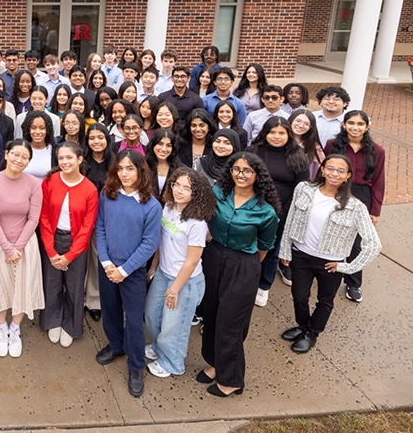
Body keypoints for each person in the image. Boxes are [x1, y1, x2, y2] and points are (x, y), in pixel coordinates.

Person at [278, 155, 382, 353]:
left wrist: (347, 267)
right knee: (299, 296)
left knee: (325, 300)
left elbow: (373, 244)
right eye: (330, 168)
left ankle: (312, 333)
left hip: (330, 263)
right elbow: (290, 219)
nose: (334, 173)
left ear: (348, 175)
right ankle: (302, 326)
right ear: (323, 170)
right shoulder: (304, 189)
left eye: (341, 171)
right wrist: (285, 249)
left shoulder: (355, 207)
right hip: (301, 255)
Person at [199, 153, 278, 398]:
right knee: (211, 314)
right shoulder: (217, 194)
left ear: (258, 176)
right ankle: (216, 364)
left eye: (247, 171)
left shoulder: (266, 212)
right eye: (236, 169)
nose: (240, 174)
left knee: (230, 322)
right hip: (214, 257)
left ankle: (232, 380)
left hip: (244, 263)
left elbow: (265, 246)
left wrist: (245, 265)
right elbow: (207, 219)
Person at [93, 149, 162, 398]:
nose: (124, 173)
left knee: (133, 320)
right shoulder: (108, 194)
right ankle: (116, 344)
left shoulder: (151, 205)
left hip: (131, 272)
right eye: (120, 168)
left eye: (130, 168)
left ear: (141, 171)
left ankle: (135, 365)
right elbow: (100, 227)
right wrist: (106, 262)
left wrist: (123, 270)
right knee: (110, 309)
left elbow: (149, 243)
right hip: (108, 267)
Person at [144, 167, 214, 378]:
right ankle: (159, 347)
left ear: (196, 193)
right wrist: (154, 266)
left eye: (187, 188)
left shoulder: (197, 223)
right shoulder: (168, 207)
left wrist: (174, 289)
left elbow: (192, 261)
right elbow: (161, 241)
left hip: (185, 282)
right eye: (176, 185)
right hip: (163, 273)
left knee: (174, 326)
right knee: (152, 315)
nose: (179, 191)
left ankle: (172, 363)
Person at [0, 139, 45, 358]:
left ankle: (15, 328)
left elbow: (33, 218)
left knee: (22, 287)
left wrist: (17, 247)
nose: (19, 160)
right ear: (7, 154)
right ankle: (2, 328)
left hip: (25, 245)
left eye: (25, 157)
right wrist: (8, 249)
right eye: (16, 154)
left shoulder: (33, 184)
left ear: (29, 161)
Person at [39, 141, 98, 348]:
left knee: (74, 286)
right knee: (52, 283)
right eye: (61, 158)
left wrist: (70, 256)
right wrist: (50, 250)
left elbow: (87, 227)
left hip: (77, 244)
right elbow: (44, 216)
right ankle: (53, 320)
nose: (64, 162)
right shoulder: (50, 181)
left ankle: (70, 326)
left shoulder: (90, 189)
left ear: (79, 159)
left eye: (69, 157)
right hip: (52, 239)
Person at [246, 117, 309, 306]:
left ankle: (263, 286)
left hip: (280, 213)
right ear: (265, 133)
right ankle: (246, 280)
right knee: (247, 246)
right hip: (250, 209)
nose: (276, 136)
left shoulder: (298, 157)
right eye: (272, 132)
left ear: (288, 134)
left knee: (271, 249)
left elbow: (301, 189)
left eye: (281, 133)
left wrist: (284, 212)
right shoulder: (253, 152)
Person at [324, 110, 385, 303]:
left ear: (367, 127)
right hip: (335, 190)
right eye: (351, 123)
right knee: (330, 234)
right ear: (344, 124)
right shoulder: (332, 145)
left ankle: (353, 283)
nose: (355, 127)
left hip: (362, 194)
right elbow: (324, 171)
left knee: (357, 243)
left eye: (360, 124)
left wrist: (375, 210)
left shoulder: (377, 151)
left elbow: (379, 181)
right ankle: (326, 273)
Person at [83, 123, 115, 320]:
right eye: (92, 138)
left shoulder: (115, 162)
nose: (96, 141)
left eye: (100, 137)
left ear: (107, 139)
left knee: (96, 258)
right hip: (80, 217)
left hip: (104, 219)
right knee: (79, 258)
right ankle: (77, 297)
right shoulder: (81, 161)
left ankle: (94, 300)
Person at [145, 128, 183, 198]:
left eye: (168, 145)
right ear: (153, 145)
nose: (163, 149)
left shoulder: (180, 169)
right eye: (160, 144)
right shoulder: (143, 165)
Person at [289, 109, 325, 180]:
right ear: (291, 120)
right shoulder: (280, 140)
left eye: (306, 124)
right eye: (298, 121)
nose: (301, 125)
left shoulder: (314, 147)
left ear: (310, 127)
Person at [20, 110, 56, 181]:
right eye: (33, 128)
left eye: (42, 128)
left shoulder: (55, 151)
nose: (37, 132)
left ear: (47, 130)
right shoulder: (21, 149)